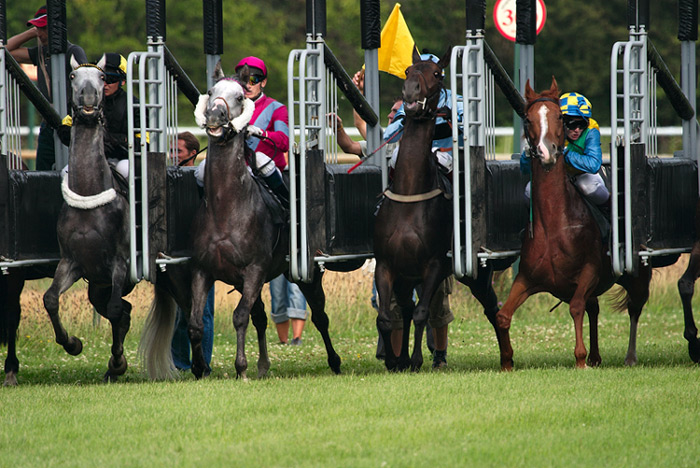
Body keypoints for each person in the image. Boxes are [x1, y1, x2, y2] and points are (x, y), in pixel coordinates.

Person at [195, 56, 308, 345]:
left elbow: (283, 140)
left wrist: (262, 133)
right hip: (231, 166)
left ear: (264, 82)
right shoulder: (230, 99)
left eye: (255, 80)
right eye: (246, 79)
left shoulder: (276, 108)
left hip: (264, 162)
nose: (249, 85)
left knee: (261, 159)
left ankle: (287, 209)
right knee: (199, 171)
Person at [7, 5, 88, 170]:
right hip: (48, 125)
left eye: (44, 28)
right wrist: (32, 32)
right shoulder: (40, 53)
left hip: (73, 123)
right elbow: (5, 50)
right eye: (39, 28)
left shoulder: (74, 51)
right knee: (43, 173)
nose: (41, 33)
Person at [169, 132, 215, 374]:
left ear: (193, 154)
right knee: (179, 313)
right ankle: (180, 364)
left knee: (203, 313)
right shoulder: (169, 177)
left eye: (178, 151)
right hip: (177, 254)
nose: (172, 155)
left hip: (203, 256)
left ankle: (202, 364)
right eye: (171, 150)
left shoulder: (205, 180)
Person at [521, 92, 609, 210]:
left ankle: (610, 217)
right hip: (553, 176)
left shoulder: (591, 130)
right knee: (529, 191)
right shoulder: (550, 130)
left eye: (582, 124)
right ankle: (531, 225)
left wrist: (565, 152)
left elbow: (593, 165)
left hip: (582, 175)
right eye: (572, 124)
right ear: (561, 122)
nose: (577, 130)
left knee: (589, 187)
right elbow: (525, 170)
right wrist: (527, 155)